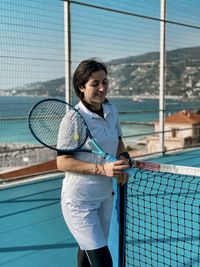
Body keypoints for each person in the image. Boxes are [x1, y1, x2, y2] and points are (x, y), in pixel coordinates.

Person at [57, 59, 132, 267]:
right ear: (81, 87)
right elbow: (62, 162)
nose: (102, 88)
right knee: (102, 260)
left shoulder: (111, 109)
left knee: (87, 252)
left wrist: (123, 157)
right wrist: (102, 169)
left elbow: (118, 141)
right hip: (80, 202)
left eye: (105, 82)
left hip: (105, 197)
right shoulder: (73, 118)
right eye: (95, 83)